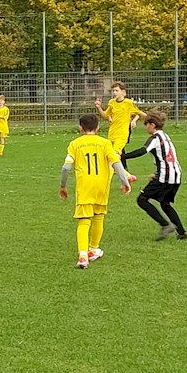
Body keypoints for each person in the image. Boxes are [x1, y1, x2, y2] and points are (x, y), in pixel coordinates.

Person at [60, 114, 131, 269]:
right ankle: (93, 249)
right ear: (98, 128)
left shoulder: (75, 144)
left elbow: (66, 167)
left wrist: (63, 186)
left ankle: (83, 256)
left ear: (80, 128)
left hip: (85, 187)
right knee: (98, 218)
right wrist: (124, 181)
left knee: (84, 221)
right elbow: (116, 163)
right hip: (101, 186)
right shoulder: (105, 143)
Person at [122, 110, 187, 241]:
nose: (145, 127)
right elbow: (168, 157)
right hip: (176, 176)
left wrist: (122, 156)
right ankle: (182, 233)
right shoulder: (165, 136)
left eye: (146, 124)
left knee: (142, 199)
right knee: (165, 203)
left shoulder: (155, 138)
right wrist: (156, 174)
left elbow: (142, 151)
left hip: (166, 176)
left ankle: (165, 225)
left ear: (152, 124)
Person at [94, 81, 146, 181]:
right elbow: (105, 115)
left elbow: (139, 113)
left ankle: (106, 181)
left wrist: (152, 118)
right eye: (113, 91)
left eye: (117, 90)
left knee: (113, 156)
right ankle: (128, 176)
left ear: (123, 92)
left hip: (122, 135)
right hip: (111, 134)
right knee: (111, 156)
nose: (114, 93)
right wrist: (99, 107)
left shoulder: (128, 103)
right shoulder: (111, 103)